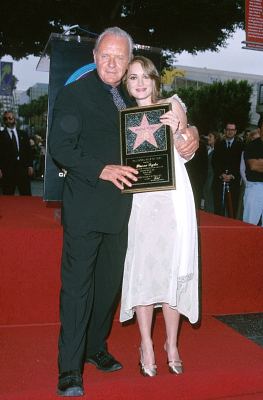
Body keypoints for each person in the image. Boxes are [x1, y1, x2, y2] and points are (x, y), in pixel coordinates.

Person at [49, 27, 199, 397]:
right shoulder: (76, 93)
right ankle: (69, 370)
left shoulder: (128, 97)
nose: (113, 63)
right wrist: (101, 169)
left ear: (129, 59)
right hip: (86, 208)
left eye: (120, 57)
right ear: (95, 56)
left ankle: (95, 348)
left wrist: (190, 130)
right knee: (79, 289)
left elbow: (168, 117)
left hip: (126, 213)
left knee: (108, 288)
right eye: (106, 55)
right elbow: (60, 146)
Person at [120, 56, 199, 377]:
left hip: (174, 197)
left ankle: (171, 343)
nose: (139, 83)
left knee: (173, 267)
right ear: (126, 84)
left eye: (145, 77)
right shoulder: (123, 117)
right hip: (140, 200)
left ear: (155, 80)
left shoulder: (172, 104)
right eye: (132, 77)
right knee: (143, 268)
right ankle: (146, 344)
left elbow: (188, 150)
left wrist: (181, 130)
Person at [212, 122, 243, 218]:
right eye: (228, 129)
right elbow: (215, 161)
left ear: (235, 132)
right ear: (225, 131)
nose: (230, 132)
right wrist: (221, 174)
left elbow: (240, 164)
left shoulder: (240, 146)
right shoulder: (218, 144)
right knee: (218, 209)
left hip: (233, 182)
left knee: (232, 209)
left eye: (232, 130)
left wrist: (232, 175)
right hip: (219, 180)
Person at [0, 111, 33, 195]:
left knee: (26, 195)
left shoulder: (23, 134)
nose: (8, 120)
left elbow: (28, 151)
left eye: (10, 118)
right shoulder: (1, 136)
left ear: (15, 119)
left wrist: (30, 165)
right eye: (5, 118)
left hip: (23, 169)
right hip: (7, 170)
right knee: (8, 196)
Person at [243, 117, 263, 226]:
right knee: (250, 224)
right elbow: (254, 166)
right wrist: (258, 163)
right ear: (260, 129)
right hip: (255, 188)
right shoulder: (252, 146)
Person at [203, 131, 220, 212]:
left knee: (210, 197)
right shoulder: (209, 149)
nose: (208, 138)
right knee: (206, 195)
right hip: (207, 176)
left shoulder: (217, 151)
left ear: (215, 139)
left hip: (212, 177)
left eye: (210, 136)